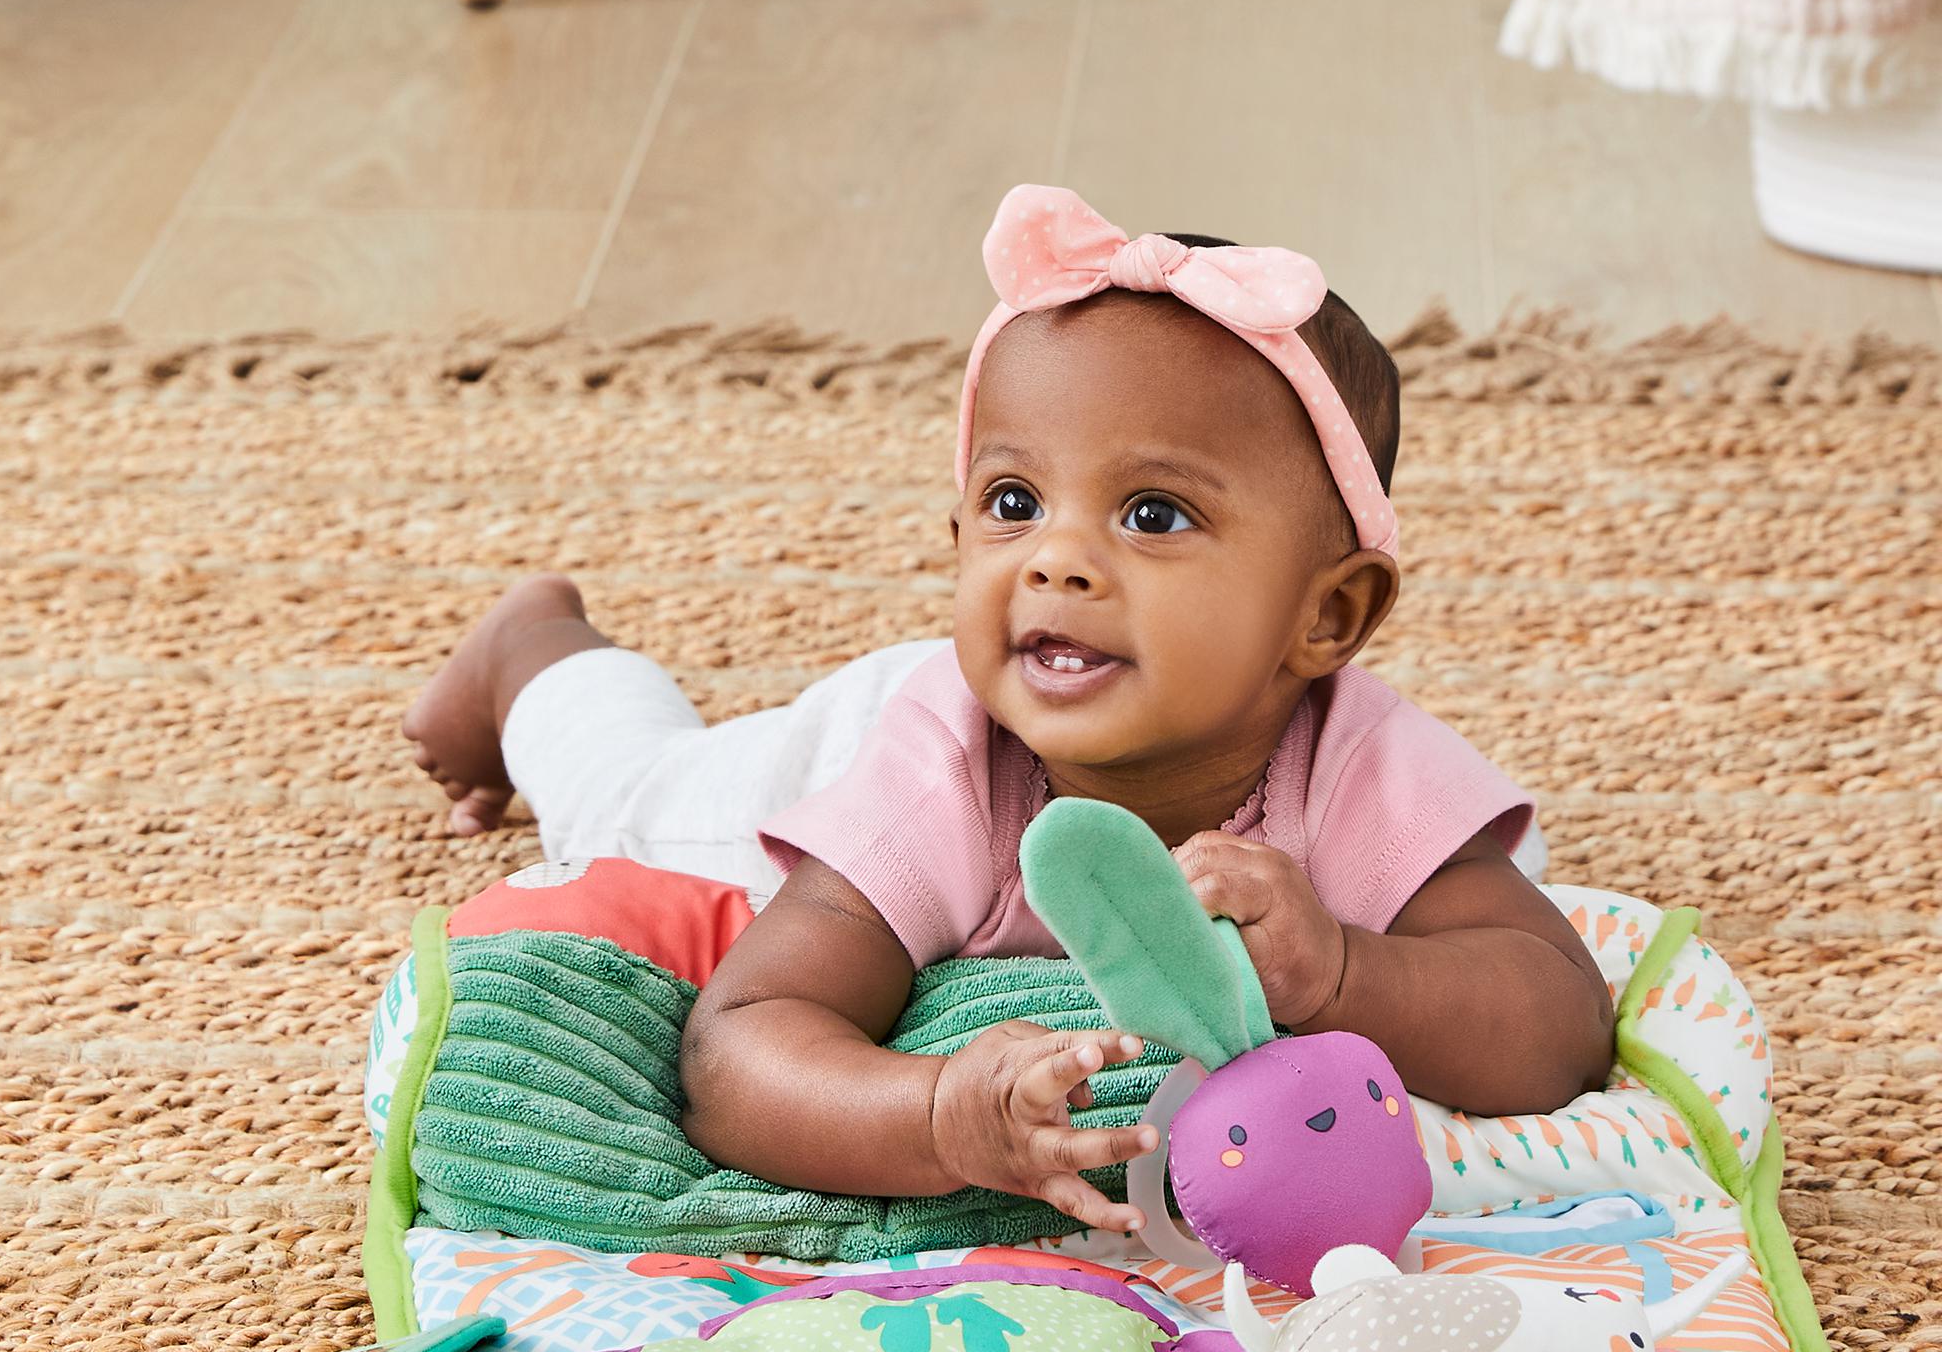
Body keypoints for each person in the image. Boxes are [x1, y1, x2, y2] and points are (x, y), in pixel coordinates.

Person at [404, 187, 1611, 1236]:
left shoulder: (1358, 766)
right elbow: (738, 1049)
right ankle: (534, 650)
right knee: (625, 800)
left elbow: (1557, 1021)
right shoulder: (939, 775)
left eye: (1151, 515)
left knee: (1506, 879)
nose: (1054, 560)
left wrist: (1343, 971)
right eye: (1013, 501)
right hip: (872, 733)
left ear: (1327, 616)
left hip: (1075, 690)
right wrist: (937, 1114)